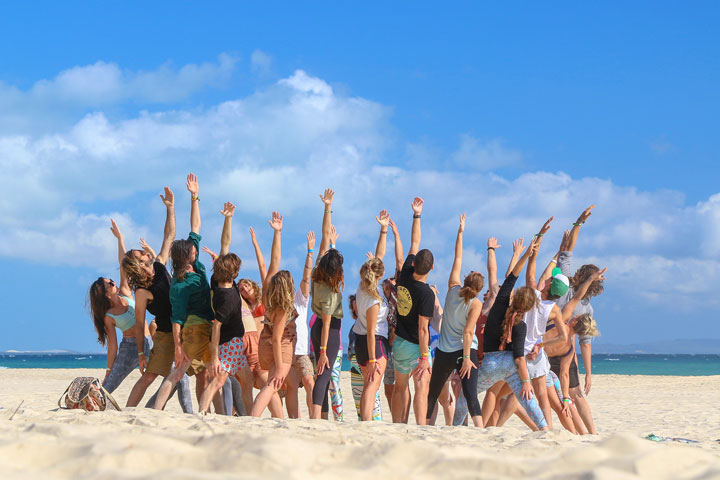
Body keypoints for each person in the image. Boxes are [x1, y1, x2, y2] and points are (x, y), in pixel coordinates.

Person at [122, 187, 193, 412]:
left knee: (200, 371)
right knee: (149, 375)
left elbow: (169, 236)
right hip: (164, 334)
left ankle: (198, 412)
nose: (144, 253)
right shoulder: (142, 291)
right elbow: (140, 323)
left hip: (186, 325)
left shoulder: (160, 266)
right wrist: (142, 354)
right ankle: (128, 411)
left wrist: (170, 208)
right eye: (139, 254)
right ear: (137, 265)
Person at [152, 173, 215, 410]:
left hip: (207, 325)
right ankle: (158, 411)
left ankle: (209, 411)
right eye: (191, 249)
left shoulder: (196, 263)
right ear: (184, 255)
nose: (195, 248)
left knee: (208, 374)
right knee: (181, 371)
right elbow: (176, 318)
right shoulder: (179, 285)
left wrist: (194, 197)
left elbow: (195, 226)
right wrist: (178, 347)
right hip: (194, 329)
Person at [475, 236, 549, 431]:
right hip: (510, 363)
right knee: (526, 396)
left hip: (489, 360)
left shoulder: (498, 303)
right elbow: (518, 357)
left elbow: (506, 276)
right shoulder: (519, 323)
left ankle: (480, 427)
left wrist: (519, 255)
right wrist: (526, 381)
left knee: (478, 394)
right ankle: (543, 427)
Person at [426, 214, 484, 427]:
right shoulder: (476, 303)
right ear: (479, 289)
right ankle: (480, 431)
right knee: (470, 396)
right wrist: (467, 358)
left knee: (432, 394)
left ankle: (425, 427)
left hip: (444, 351)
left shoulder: (452, 290)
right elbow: (468, 333)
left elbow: (457, 258)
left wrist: (460, 232)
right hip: (463, 351)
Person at [550, 205, 603, 433]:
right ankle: (586, 434)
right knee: (570, 396)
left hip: (553, 348)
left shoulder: (579, 301)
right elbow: (568, 251)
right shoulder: (571, 293)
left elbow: (586, 341)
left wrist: (578, 223)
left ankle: (587, 434)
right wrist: (578, 223)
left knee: (569, 395)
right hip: (560, 351)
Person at [88, 219, 152, 394]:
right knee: (107, 388)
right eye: (108, 283)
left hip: (150, 341)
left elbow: (123, 264)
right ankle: (90, 402)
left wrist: (120, 238)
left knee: (177, 376)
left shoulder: (125, 292)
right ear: (105, 293)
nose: (113, 281)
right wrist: (108, 371)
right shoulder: (109, 316)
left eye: (111, 280)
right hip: (130, 348)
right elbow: (113, 346)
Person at [197, 202, 248, 413]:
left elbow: (224, 245)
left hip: (234, 341)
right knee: (217, 381)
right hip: (229, 343)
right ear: (234, 274)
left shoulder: (219, 280)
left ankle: (249, 417)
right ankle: (200, 415)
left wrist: (228, 219)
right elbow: (216, 327)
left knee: (247, 379)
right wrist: (215, 356)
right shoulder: (226, 297)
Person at [250, 212, 299, 418]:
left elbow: (273, 262)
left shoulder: (268, 294)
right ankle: (253, 417)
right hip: (280, 347)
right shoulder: (283, 309)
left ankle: (288, 420)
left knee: (293, 382)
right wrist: (280, 367)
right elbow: (278, 340)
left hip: (264, 345)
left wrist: (278, 233)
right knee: (273, 384)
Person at [392, 197, 435, 425]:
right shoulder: (427, 293)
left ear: (414, 264)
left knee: (400, 387)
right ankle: (420, 427)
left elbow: (414, 244)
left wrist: (416, 215)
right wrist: (425, 357)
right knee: (421, 387)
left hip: (399, 342)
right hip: (415, 345)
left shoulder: (405, 275)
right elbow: (423, 329)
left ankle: (399, 423)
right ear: (431, 268)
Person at [309, 189, 345, 420]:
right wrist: (322, 352)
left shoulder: (316, 274)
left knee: (321, 374)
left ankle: (321, 418)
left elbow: (324, 236)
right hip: (327, 332)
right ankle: (314, 418)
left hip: (316, 329)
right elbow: (328, 321)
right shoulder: (332, 292)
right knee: (323, 374)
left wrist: (327, 207)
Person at [284, 232, 315, 418]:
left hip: (301, 351)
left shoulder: (300, 300)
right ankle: (295, 421)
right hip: (285, 351)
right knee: (291, 387)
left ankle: (315, 418)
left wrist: (310, 252)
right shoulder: (279, 303)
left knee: (310, 382)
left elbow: (306, 278)